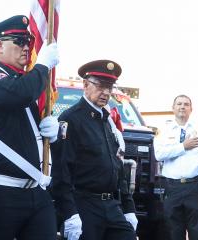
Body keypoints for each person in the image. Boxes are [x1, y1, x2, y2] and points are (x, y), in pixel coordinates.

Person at [0, 15, 59, 239]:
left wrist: (48, 131)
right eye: (19, 41)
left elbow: (19, 125)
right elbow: (20, 94)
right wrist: (43, 65)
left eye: (29, 42)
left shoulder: (23, 81)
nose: (27, 47)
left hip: (33, 189)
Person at [52, 60, 137, 240]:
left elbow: (118, 167)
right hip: (84, 204)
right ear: (85, 85)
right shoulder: (70, 119)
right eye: (100, 85)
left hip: (111, 205)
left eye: (110, 87)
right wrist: (69, 213)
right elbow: (61, 171)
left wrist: (129, 208)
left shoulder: (106, 120)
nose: (106, 92)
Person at [154, 94, 198, 240]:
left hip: (194, 187)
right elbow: (159, 154)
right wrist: (183, 146)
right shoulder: (164, 130)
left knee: (196, 231)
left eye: (186, 104)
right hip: (172, 188)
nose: (182, 107)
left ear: (191, 109)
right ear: (173, 108)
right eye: (179, 104)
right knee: (174, 231)